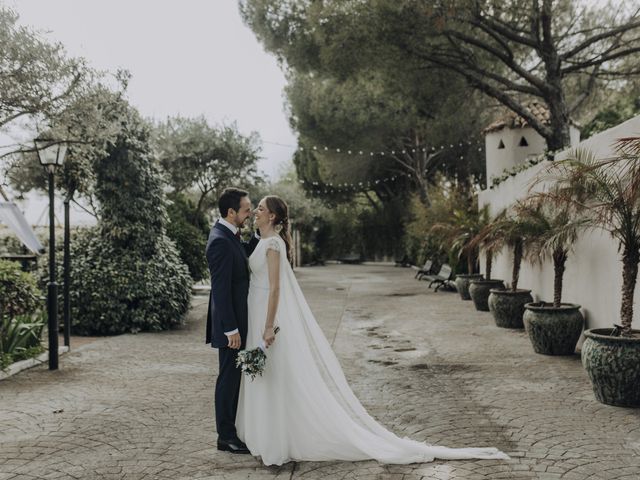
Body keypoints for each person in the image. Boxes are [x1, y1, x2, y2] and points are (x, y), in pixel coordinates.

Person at [236, 195, 509, 466]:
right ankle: (266, 435)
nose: (256, 212)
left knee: (274, 377)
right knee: (267, 376)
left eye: (260, 209)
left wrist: (269, 325)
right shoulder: (261, 242)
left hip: (267, 317)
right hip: (256, 311)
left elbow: (275, 288)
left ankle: (276, 441)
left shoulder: (273, 245)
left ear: (272, 216)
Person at [205, 187, 259, 454]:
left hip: (238, 323)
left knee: (236, 376)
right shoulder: (219, 241)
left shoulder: (230, 236)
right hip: (231, 327)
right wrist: (231, 329)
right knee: (228, 378)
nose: (249, 214)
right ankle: (225, 436)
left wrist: (262, 235)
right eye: (247, 210)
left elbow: (243, 254)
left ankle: (233, 430)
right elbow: (221, 291)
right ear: (231, 212)